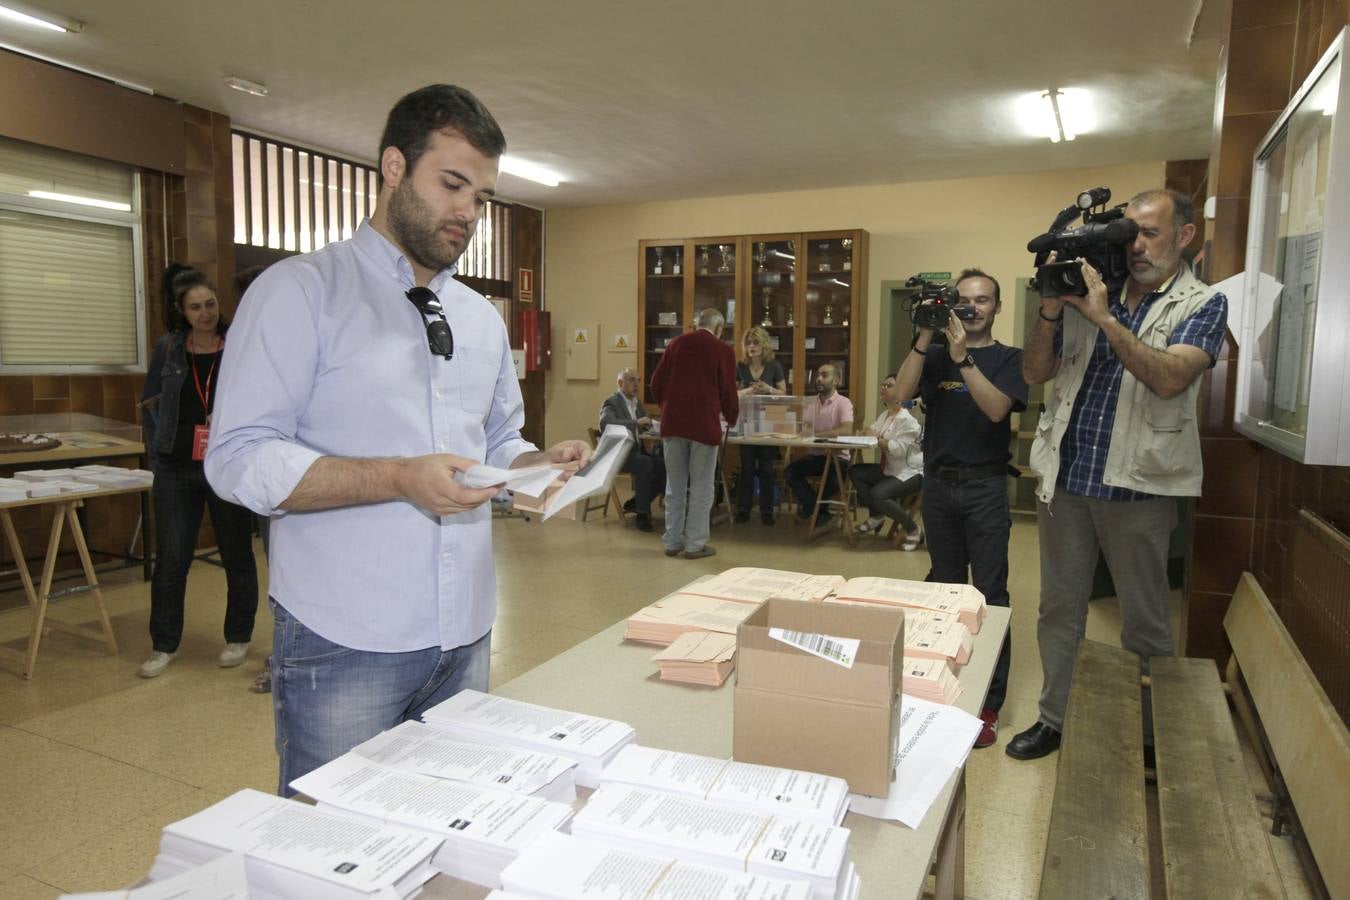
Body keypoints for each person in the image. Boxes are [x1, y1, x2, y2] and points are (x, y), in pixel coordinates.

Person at [204, 84, 590, 794]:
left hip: (467, 633)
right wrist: (399, 478)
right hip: (345, 638)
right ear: (391, 168)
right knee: (334, 853)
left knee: (449, 836)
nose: (467, 212)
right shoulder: (299, 294)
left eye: (481, 195)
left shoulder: (478, 318)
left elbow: (498, 439)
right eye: (451, 184)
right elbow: (237, 459)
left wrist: (538, 465)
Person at [1008, 189, 1228, 762]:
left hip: (1140, 487)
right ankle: (1055, 718)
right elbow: (1034, 373)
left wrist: (1105, 320)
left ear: (1184, 236)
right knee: (1059, 610)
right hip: (1068, 480)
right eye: (1128, 235)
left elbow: (1170, 378)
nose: (1135, 247)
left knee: (1145, 620)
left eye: (1150, 234)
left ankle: (1150, 733)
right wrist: (1053, 308)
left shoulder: (1201, 303)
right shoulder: (1086, 291)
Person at [894, 268, 1026, 749]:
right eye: (964, 300)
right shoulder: (931, 355)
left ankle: (988, 704)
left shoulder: (1009, 358)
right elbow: (902, 396)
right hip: (939, 487)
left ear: (997, 306)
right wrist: (924, 335)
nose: (973, 308)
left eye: (983, 300)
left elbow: (996, 411)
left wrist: (962, 359)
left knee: (990, 596)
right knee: (944, 595)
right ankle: (939, 686)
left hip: (986, 488)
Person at [137, 264, 259, 679]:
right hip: (177, 467)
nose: (206, 313)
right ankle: (163, 644)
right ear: (181, 311)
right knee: (172, 558)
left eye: (210, 304)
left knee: (236, 554)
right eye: (195, 308)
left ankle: (238, 635)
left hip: (225, 465)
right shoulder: (168, 350)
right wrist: (158, 453)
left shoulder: (238, 345)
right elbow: (150, 403)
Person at [649, 308, 738, 559]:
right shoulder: (723, 351)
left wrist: (668, 407)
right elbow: (728, 392)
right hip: (703, 427)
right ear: (719, 329)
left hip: (672, 425)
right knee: (701, 487)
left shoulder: (676, 344)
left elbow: (656, 382)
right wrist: (731, 417)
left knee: (674, 486)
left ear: (697, 324)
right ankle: (695, 545)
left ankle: (672, 541)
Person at [849, 375, 924, 549]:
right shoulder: (886, 415)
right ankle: (877, 515)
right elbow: (869, 430)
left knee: (878, 493)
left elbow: (899, 449)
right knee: (855, 471)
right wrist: (876, 436)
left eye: (889, 385)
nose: (883, 387)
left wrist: (877, 438)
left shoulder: (907, 420)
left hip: (911, 472)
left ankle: (914, 530)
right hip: (891, 469)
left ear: (901, 391)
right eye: (883, 384)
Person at [783, 363, 854, 526]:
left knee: (834, 482)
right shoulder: (810, 403)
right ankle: (818, 510)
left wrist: (817, 435)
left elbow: (846, 429)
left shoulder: (844, 402)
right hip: (815, 457)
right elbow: (805, 429)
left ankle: (811, 508)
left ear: (836, 380)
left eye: (824, 375)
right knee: (790, 472)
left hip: (838, 458)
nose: (819, 379)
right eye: (818, 375)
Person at [598, 368, 665, 533]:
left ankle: (637, 502)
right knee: (645, 463)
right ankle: (641, 515)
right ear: (620, 383)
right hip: (618, 455)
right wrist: (636, 423)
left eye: (638, 380)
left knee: (665, 465)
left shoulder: (637, 403)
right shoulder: (612, 402)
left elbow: (645, 423)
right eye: (631, 380)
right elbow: (606, 424)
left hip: (636, 452)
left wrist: (654, 424)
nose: (636, 384)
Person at [734, 326, 787, 524]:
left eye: (755, 343)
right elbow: (732, 394)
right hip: (746, 424)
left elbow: (784, 393)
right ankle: (743, 509)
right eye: (748, 343)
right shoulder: (740, 366)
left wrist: (768, 388)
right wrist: (748, 391)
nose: (751, 346)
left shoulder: (774, 366)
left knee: (766, 469)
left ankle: (767, 511)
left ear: (763, 345)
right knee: (746, 469)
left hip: (769, 424)